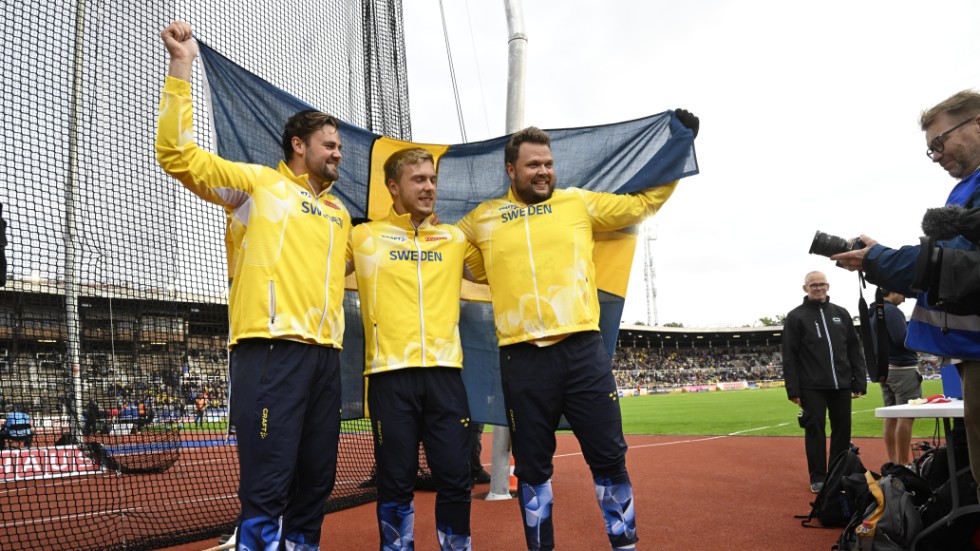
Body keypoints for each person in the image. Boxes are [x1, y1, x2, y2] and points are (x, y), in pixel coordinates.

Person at [456, 116, 697, 551]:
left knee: (608, 457)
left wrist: (678, 149)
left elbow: (641, 204)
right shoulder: (483, 219)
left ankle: (624, 544)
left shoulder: (577, 203)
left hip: (583, 352)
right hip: (522, 357)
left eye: (547, 163)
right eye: (532, 165)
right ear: (511, 170)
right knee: (532, 468)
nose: (543, 171)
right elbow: (447, 249)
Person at [157, 20, 349, 550]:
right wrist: (181, 67)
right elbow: (178, 157)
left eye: (338, 147)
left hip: (325, 361)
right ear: (297, 145)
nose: (338, 153)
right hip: (270, 355)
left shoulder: (339, 216)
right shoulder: (257, 188)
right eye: (329, 145)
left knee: (316, 486)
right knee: (267, 487)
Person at [831, 90, 980, 503]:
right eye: (929, 149)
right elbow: (945, 267)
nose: (936, 155)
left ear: (977, 123)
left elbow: (960, 271)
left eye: (939, 142)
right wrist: (879, 259)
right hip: (969, 352)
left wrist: (879, 259)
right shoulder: (966, 190)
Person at [347, 148, 483, 550]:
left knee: (457, 479)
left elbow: (500, 266)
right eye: (418, 179)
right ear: (393, 186)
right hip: (390, 378)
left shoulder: (454, 238)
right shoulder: (363, 236)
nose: (428, 187)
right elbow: (315, 268)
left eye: (432, 179)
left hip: (445, 376)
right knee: (395, 482)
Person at [781, 271, 867, 493]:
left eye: (822, 284)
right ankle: (818, 477)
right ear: (805, 288)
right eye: (813, 285)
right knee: (814, 431)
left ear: (828, 286)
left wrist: (859, 381)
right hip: (811, 387)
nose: (818, 288)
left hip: (842, 385)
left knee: (842, 431)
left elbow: (854, 349)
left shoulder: (841, 313)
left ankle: (838, 474)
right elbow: (789, 355)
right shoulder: (795, 317)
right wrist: (793, 389)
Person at [868, 288, 921, 467]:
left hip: (885, 369)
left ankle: (893, 462)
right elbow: (903, 339)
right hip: (902, 368)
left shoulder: (874, 311)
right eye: (903, 293)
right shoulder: (891, 311)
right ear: (894, 290)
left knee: (890, 415)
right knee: (906, 415)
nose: (905, 299)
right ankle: (904, 464)